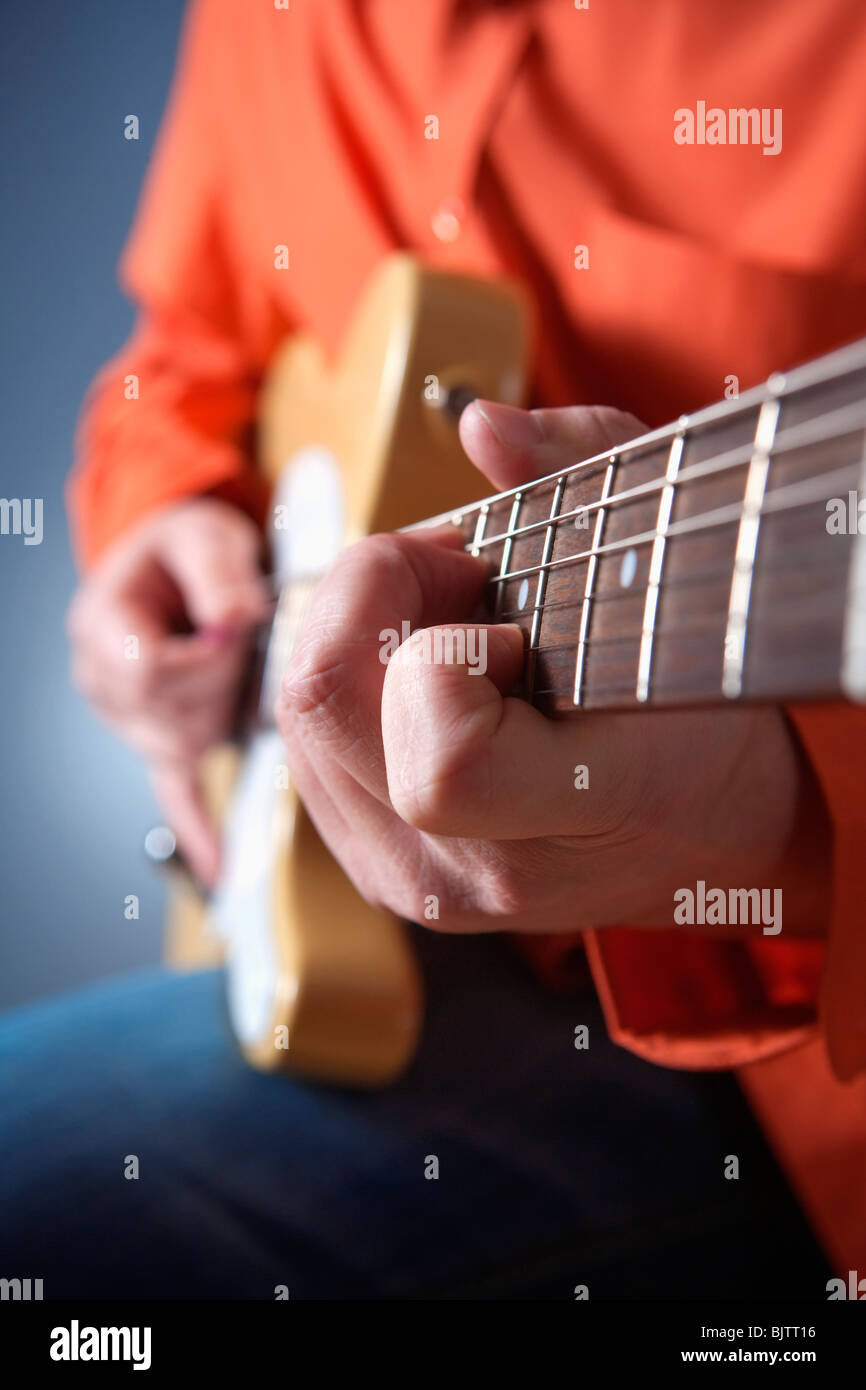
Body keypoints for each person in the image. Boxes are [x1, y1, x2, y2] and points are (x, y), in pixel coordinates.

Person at [2, 0, 865, 1298]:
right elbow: (179, 362)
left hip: (803, 1057)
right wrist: (162, 518)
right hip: (422, 956)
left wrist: (788, 815)